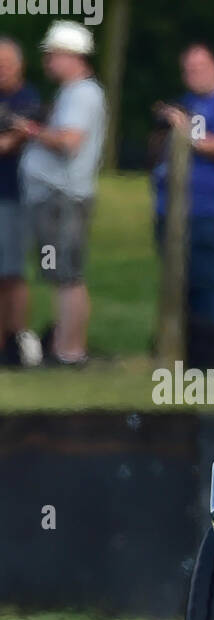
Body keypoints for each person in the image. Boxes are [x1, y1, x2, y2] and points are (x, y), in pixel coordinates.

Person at [152, 43, 214, 368]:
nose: (192, 75)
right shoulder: (188, 104)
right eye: (188, 69)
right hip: (173, 210)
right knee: (181, 281)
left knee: (207, 278)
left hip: (208, 209)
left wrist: (188, 135)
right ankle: (193, 349)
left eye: (199, 67)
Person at [17, 21, 105, 369]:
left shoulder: (82, 93)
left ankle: (69, 351)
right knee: (58, 273)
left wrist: (30, 130)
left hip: (62, 198)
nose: (48, 62)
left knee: (66, 274)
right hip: (55, 199)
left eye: (53, 55)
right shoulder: (73, 92)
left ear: (72, 56)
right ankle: (64, 345)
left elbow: (69, 141)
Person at [0, 37, 42, 367]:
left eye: (6, 64)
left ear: (19, 66)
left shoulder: (29, 100)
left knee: (11, 271)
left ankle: (16, 340)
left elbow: (14, 141)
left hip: (12, 195)